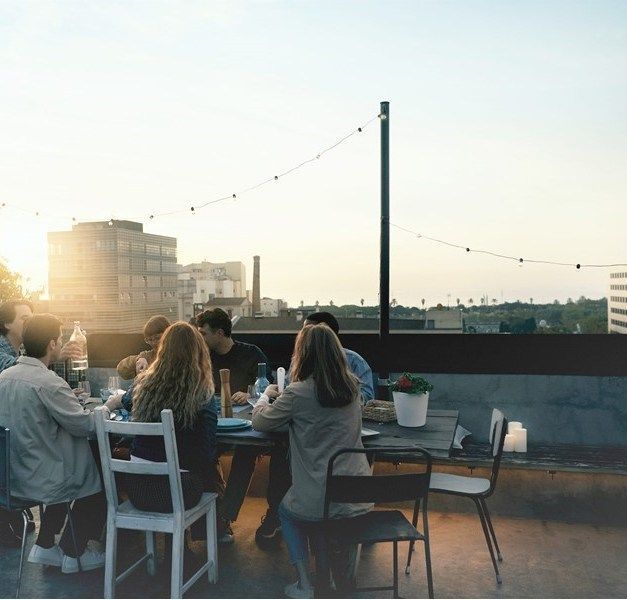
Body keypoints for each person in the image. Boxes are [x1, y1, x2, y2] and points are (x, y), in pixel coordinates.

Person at [252, 323, 372, 599]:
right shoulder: (352, 388)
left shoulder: (297, 392)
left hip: (319, 496)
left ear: (302, 354)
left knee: (287, 511)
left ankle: (305, 584)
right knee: (315, 510)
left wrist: (264, 397)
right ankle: (327, 577)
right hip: (356, 494)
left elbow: (260, 421)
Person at [0, 314, 119, 572]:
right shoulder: (50, 383)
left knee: (70, 469)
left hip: (12, 480)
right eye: (61, 339)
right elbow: (86, 425)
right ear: (53, 344)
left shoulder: (4, 377)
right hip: (43, 480)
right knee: (102, 478)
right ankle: (74, 553)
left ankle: (44, 545)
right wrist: (110, 405)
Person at [107, 322, 218, 520]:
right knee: (207, 473)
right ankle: (214, 532)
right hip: (180, 493)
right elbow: (206, 452)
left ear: (162, 350)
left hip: (138, 490)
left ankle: (177, 545)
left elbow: (125, 400)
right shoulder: (201, 393)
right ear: (199, 351)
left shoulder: (143, 386)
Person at [0, 299, 81, 546]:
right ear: (6, 323)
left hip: (13, 463)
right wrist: (52, 354)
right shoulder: (6, 357)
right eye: (24, 319)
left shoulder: (18, 353)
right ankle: (66, 546)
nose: (30, 322)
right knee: (77, 468)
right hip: (19, 469)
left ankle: (46, 540)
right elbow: (23, 373)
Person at [116, 315, 170, 380]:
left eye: (157, 338)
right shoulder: (148, 356)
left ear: (168, 334)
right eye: (149, 340)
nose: (153, 343)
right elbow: (122, 370)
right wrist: (138, 360)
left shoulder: (178, 356)